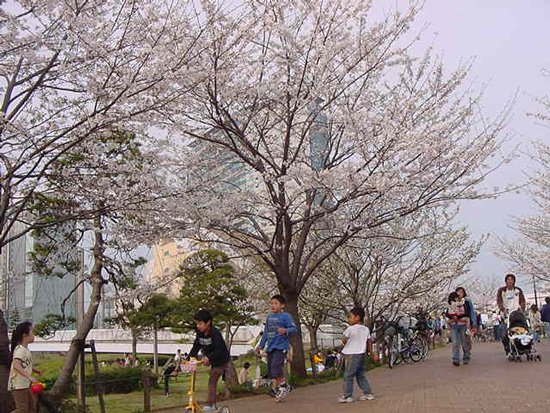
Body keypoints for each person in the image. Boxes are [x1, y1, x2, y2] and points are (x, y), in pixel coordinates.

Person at [257, 294, 298, 402]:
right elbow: (266, 332)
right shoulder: (269, 317)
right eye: (271, 303)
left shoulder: (286, 316)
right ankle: (285, 386)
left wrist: (286, 331)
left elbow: (294, 329)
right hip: (270, 347)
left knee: (276, 367)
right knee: (271, 371)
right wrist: (261, 345)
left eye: (275, 303)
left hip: (281, 346)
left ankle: (283, 387)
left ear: (282, 305)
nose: (273, 305)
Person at [188, 309, 231, 413]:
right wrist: (188, 359)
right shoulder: (200, 333)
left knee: (212, 381)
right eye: (197, 324)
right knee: (210, 380)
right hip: (211, 360)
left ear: (208, 322)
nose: (198, 326)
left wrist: (209, 358)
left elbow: (219, 350)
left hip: (221, 360)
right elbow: (196, 347)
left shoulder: (215, 333)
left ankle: (212, 406)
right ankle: (211, 404)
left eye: (200, 324)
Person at [338, 307, 379, 403]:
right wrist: (372, 353)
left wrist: (346, 341)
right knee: (360, 375)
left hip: (352, 354)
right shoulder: (365, 329)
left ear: (357, 317)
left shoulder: (350, 329)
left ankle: (347, 396)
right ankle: (368, 393)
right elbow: (369, 342)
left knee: (348, 375)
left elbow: (344, 340)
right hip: (362, 354)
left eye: (350, 317)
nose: (349, 319)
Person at [9, 321, 41, 413]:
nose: (34, 335)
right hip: (19, 384)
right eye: (32, 332)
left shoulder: (25, 350)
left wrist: (34, 370)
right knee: (22, 409)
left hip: (25, 384)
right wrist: (30, 377)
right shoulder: (20, 350)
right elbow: (16, 365)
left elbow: (23, 364)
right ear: (25, 335)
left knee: (32, 407)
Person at [496, 273, 526, 355]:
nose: (510, 281)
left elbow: (522, 301)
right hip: (506, 315)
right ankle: (507, 348)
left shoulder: (518, 290)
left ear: (514, 281)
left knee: (519, 332)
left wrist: (522, 309)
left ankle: (518, 348)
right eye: (508, 279)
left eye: (511, 279)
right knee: (504, 334)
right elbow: (499, 301)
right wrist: (502, 309)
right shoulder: (502, 290)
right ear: (505, 281)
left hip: (517, 315)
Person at [446, 291, 471, 366]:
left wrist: (458, 318)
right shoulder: (450, 305)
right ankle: (455, 359)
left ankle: (466, 357)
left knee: (464, 343)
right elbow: (448, 314)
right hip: (454, 325)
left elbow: (467, 313)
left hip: (463, 325)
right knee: (455, 343)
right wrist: (453, 318)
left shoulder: (465, 303)